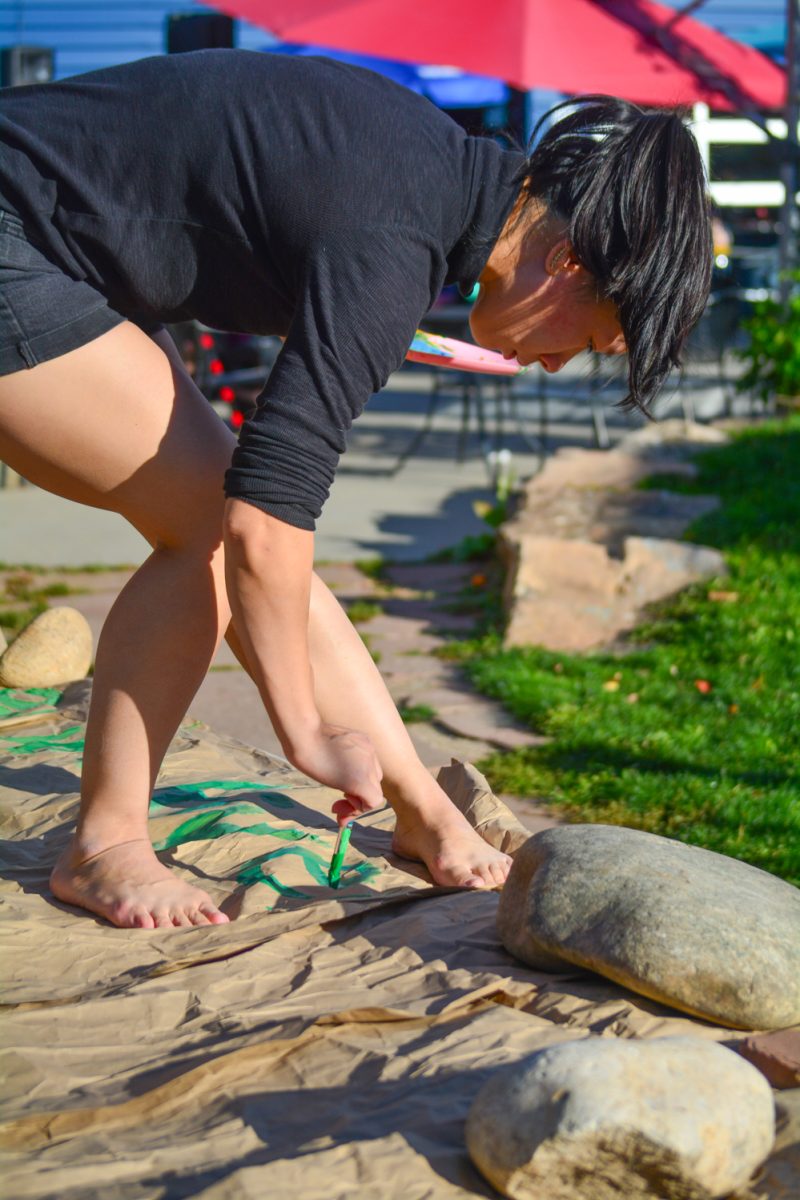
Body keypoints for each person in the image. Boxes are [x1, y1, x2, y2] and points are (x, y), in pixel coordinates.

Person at [0, 50, 712, 929]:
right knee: (214, 532)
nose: (557, 362)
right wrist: (301, 728)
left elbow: (275, 540)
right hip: (15, 235)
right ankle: (105, 846)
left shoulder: (432, 184)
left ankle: (421, 811)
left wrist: (410, 790)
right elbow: (263, 519)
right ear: (566, 262)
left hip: (60, 246)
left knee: (220, 526)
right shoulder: (393, 243)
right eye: (590, 336)